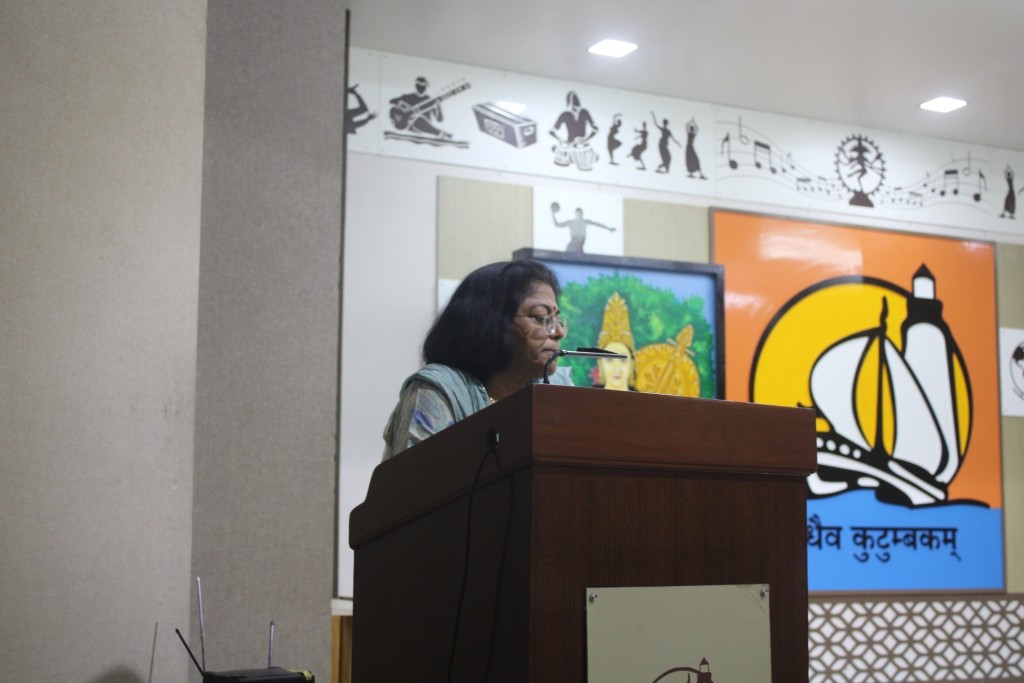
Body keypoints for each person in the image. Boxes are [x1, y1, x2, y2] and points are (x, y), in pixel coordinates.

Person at [382, 260, 572, 459]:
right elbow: (420, 477)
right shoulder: (438, 392)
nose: (558, 331)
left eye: (557, 319)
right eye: (540, 317)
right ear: (490, 321)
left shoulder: (558, 388)